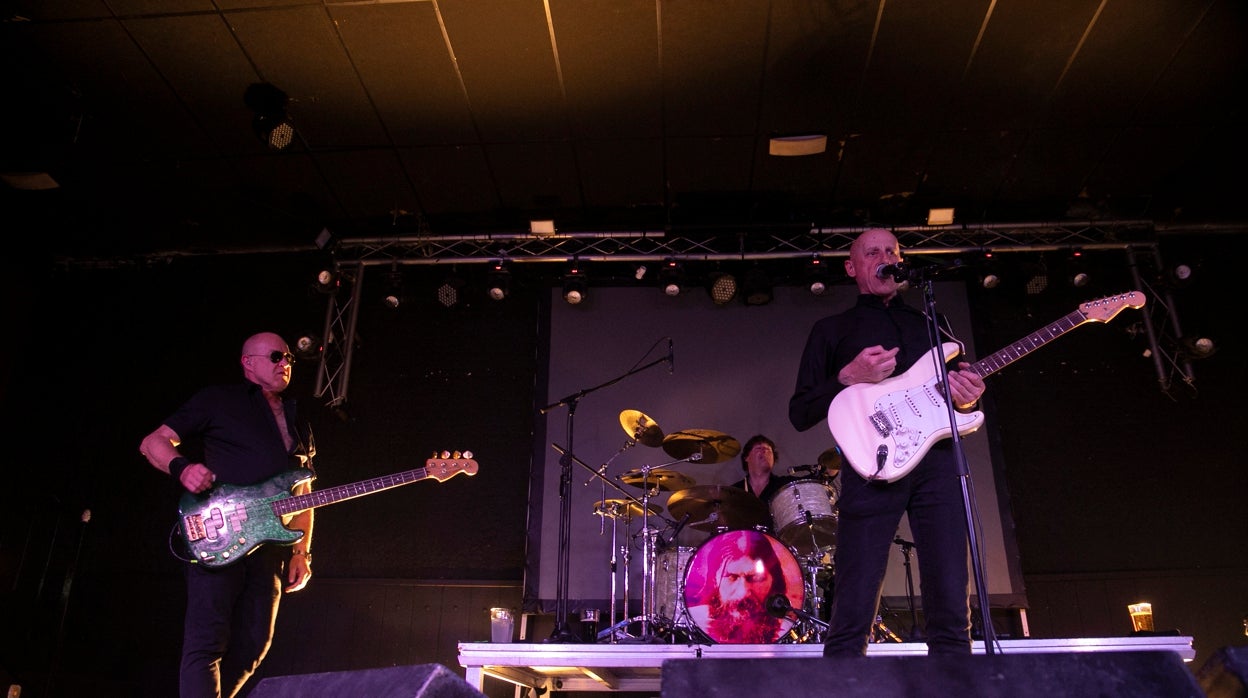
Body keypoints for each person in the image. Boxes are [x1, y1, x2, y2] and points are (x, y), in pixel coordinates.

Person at [788, 227, 987, 658]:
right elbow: (800, 411)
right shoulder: (833, 329)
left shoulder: (932, 322)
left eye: (892, 251)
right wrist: (847, 377)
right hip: (871, 465)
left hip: (938, 462)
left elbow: (960, 395)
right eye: (872, 251)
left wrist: (969, 394)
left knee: (952, 596)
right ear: (852, 267)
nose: (884, 257)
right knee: (854, 599)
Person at [139, 332, 316, 697]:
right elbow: (152, 442)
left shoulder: (298, 420)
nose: (285, 363)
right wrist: (182, 468)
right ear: (248, 362)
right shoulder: (218, 400)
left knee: (254, 645)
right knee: (207, 642)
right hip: (217, 531)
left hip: (269, 546)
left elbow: (304, 492)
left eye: (289, 359)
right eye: (276, 356)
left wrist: (301, 551)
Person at [684, 529, 796, 643]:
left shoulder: (787, 630)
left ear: (773, 580)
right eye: (732, 577)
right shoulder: (694, 623)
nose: (742, 592)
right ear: (714, 580)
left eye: (754, 578)